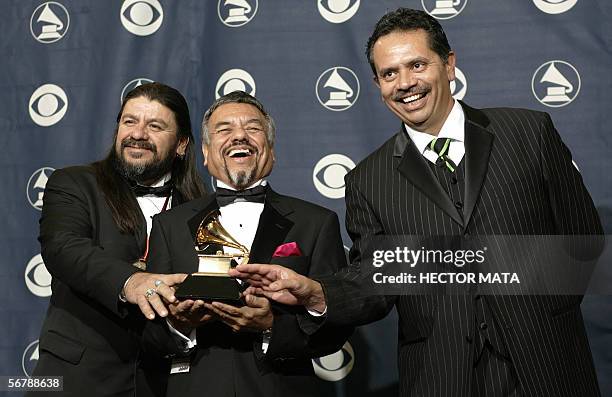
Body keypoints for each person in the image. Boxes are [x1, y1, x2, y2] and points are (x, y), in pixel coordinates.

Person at [230, 8, 604, 397]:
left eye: (417, 65)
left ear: (449, 65)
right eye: (389, 73)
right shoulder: (367, 180)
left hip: (548, 367)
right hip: (442, 377)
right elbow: (374, 281)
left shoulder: (528, 133)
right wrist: (316, 293)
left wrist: (536, 312)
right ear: (377, 84)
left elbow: (584, 242)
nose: (405, 83)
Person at [136, 91, 351, 397]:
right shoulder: (168, 226)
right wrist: (180, 325)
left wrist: (271, 326)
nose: (239, 136)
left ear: (271, 151)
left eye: (253, 128)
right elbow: (149, 336)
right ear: (207, 155)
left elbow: (336, 327)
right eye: (224, 130)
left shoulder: (316, 222)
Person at [29, 82, 207, 396]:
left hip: (165, 382)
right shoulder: (74, 183)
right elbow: (64, 248)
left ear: (181, 144)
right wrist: (131, 281)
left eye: (154, 125)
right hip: (79, 379)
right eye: (129, 121)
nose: (138, 133)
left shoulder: (202, 208)